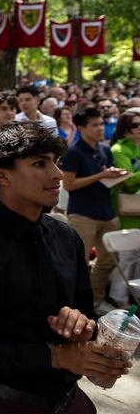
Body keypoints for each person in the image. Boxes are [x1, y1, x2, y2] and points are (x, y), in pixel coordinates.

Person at [0, 122, 131, 414]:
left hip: (70, 413)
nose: (57, 174)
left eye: (56, 161)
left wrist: (83, 328)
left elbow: (87, 313)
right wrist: (55, 356)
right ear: (2, 175)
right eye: (40, 164)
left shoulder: (66, 237)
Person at [61, 108, 124, 315]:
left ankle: (96, 300)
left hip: (107, 212)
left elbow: (105, 177)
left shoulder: (105, 150)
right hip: (82, 215)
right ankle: (76, 307)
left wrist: (115, 176)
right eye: (95, 125)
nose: (100, 128)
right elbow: (69, 185)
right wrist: (101, 175)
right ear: (81, 128)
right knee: (79, 263)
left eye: (101, 123)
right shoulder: (73, 152)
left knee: (109, 260)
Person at [110, 111, 140, 230]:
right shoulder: (118, 150)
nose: (139, 128)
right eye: (134, 125)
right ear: (124, 128)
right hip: (130, 204)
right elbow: (128, 180)